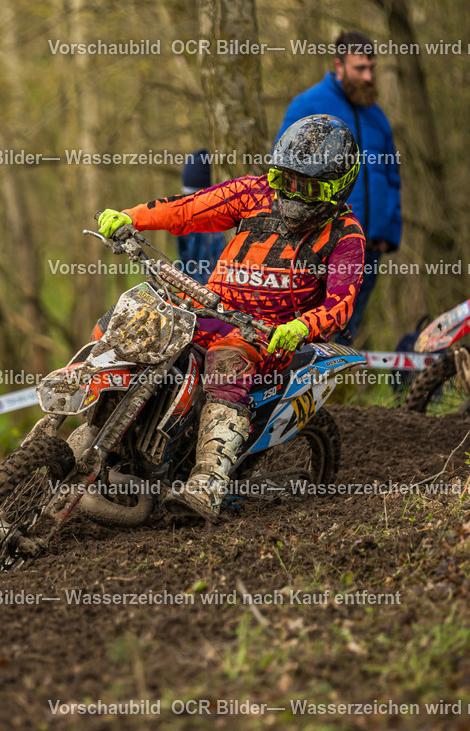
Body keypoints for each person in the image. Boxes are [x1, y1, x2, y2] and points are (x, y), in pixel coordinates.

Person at [97, 115, 365, 522]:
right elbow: (188, 209)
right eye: (285, 180)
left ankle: (206, 484)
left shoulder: (345, 235)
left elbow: (340, 304)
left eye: (306, 187)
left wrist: (301, 327)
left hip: (265, 337)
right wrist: (132, 217)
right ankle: (97, 424)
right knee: (130, 323)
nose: (291, 193)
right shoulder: (255, 192)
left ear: (337, 186)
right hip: (209, 309)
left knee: (226, 363)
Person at [276, 31, 401, 343]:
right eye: (360, 68)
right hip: (323, 243)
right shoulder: (308, 105)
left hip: (368, 245)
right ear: (339, 65)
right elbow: (284, 169)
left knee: (348, 330)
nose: (368, 76)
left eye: (372, 67)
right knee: (316, 331)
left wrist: (388, 232)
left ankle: (343, 392)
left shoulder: (376, 115)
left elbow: (391, 175)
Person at [177, 149, 226, 285]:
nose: (192, 204)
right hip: (194, 294)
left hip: (218, 293)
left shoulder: (223, 223)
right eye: (188, 196)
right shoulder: (183, 220)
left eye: (197, 197)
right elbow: (183, 260)